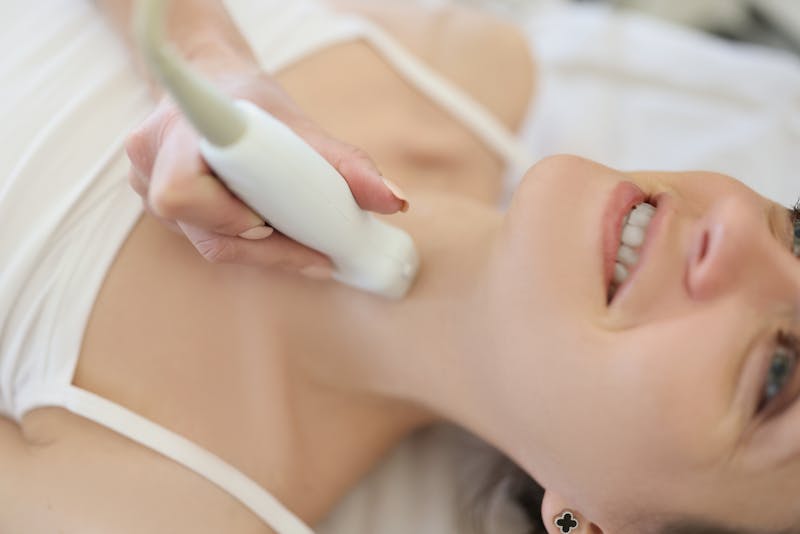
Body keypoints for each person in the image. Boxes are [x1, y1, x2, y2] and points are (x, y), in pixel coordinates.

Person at [1, 1, 799, 533]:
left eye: (777, 376)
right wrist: (204, 54)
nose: (735, 227)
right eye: (797, 235)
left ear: (589, 526)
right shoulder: (468, 66)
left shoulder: (171, 505)